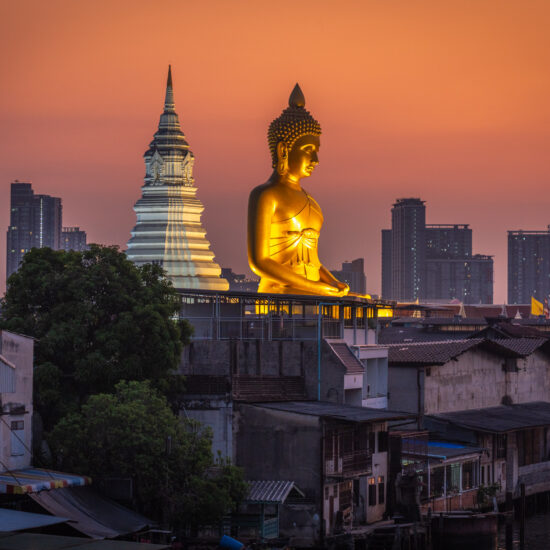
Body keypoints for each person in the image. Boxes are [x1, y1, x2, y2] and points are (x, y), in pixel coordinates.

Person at [247, 84, 349, 297]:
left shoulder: (312, 202)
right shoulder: (266, 195)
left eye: (317, 151)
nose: (316, 160)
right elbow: (259, 262)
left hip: (312, 291)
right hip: (280, 292)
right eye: (308, 150)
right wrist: (316, 288)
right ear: (283, 150)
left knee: (363, 304)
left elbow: (313, 261)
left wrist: (333, 283)